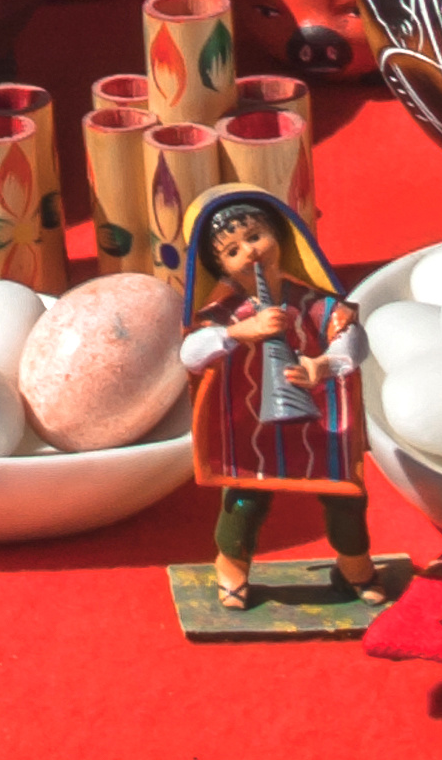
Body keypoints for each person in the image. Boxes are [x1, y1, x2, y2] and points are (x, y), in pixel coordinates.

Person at [174, 183, 405, 610]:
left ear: (279, 236)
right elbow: (189, 354)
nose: (250, 251)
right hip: (252, 429)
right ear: (219, 266)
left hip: (319, 424)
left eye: (256, 236)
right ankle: (232, 568)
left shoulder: (315, 303)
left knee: (344, 494)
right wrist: (237, 332)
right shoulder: (223, 314)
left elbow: (353, 339)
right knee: (244, 499)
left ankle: (355, 567)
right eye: (232, 250)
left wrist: (325, 366)